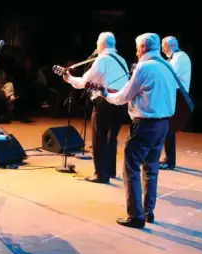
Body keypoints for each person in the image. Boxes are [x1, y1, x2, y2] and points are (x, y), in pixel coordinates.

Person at [102, 33, 177, 228]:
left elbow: (124, 96)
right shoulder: (167, 66)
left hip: (145, 125)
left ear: (143, 48)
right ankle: (147, 211)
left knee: (131, 167)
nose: (136, 52)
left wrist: (105, 94)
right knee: (151, 169)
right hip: (163, 125)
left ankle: (135, 216)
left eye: (137, 48)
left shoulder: (145, 67)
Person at [63, 32, 130, 183]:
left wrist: (69, 79)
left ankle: (101, 174)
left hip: (105, 102)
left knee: (99, 137)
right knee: (111, 138)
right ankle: (110, 171)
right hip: (121, 103)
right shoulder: (122, 60)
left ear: (101, 45)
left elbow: (84, 82)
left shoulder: (102, 60)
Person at [160, 36, 192, 170]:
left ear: (169, 46)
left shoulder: (180, 57)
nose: (161, 48)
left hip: (178, 95)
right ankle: (168, 158)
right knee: (168, 128)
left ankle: (170, 161)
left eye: (163, 45)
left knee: (170, 128)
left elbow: (169, 74)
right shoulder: (175, 57)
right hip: (174, 94)